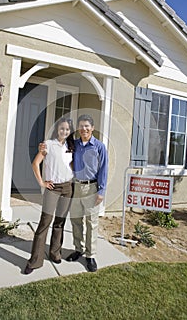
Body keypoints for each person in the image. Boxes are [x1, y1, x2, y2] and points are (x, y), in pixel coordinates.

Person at [24, 117, 74, 274]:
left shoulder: (72, 146)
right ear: (57, 129)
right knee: (45, 222)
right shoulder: (48, 145)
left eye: (67, 129)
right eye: (62, 128)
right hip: (52, 188)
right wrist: (42, 183)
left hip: (68, 188)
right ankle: (34, 261)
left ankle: (55, 253)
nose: (64, 131)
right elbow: (35, 163)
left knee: (60, 222)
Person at [66, 114, 108, 272]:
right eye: (81, 126)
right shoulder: (74, 145)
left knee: (91, 223)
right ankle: (79, 249)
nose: (84, 129)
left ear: (92, 128)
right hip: (76, 187)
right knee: (76, 220)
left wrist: (101, 191)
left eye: (87, 126)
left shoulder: (99, 146)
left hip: (92, 188)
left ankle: (90, 256)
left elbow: (104, 169)